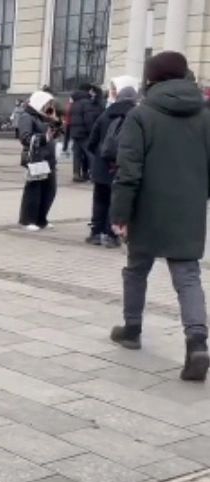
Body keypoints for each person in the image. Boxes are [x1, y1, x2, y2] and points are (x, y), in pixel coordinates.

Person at [110, 51, 210, 382]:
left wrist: (120, 213)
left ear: (151, 78)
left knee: (136, 269)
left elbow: (128, 171)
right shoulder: (205, 115)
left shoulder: (141, 115)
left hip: (146, 209)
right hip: (188, 210)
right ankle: (197, 342)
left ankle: (132, 329)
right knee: (188, 277)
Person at [85, 77, 138, 249]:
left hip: (101, 165)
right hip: (120, 166)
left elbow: (91, 141)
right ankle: (110, 235)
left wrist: (98, 156)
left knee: (100, 199)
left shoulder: (105, 113)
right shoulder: (137, 116)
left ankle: (95, 233)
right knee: (115, 200)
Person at [17, 90, 61, 231]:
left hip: (49, 158)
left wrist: (55, 121)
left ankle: (42, 219)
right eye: (47, 104)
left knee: (49, 190)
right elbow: (25, 137)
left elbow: (58, 133)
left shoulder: (44, 117)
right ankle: (28, 219)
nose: (49, 107)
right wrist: (44, 138)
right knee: (34, 190)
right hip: (36, 158)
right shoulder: (27, 117)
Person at [69, 83, 105, 182]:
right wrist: (92, 132)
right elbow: (88, 119)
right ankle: (94, 174)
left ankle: (76, 174)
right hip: (84, 133)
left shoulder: (75, 102)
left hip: (75, 132)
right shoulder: (87, 102)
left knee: (77, 154)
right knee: (90, 153)